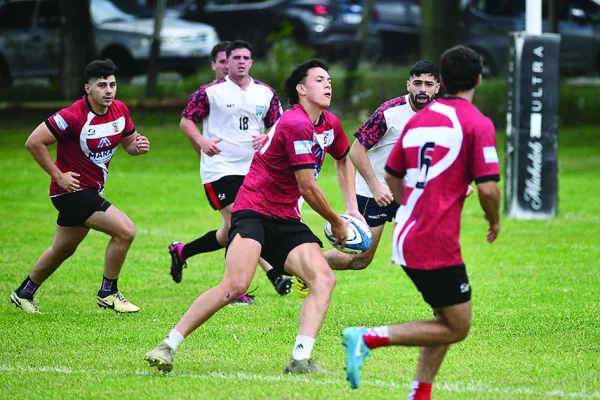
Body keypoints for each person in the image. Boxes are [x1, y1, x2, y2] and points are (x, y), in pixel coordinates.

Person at [145, 59, 363, 374]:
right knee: (235, 285)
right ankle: (167, 346)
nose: (328, 84)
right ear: (301, 89)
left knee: (323, 278)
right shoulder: (295, 123)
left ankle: (300, 360)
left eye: (329, 79)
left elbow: (343, 159)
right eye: (319, 79)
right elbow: (308, 186)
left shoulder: (330, 123)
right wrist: (337, 221)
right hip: (253, 210)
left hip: (286, 218)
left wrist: (351, 207)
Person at [341, 45, 501, 399]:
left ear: (441, 82)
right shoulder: (477, 122)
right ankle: (366, 337)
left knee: (442, 318)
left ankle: (420, 391)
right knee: (457, 326)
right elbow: (488, 189)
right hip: (433, 238)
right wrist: (494, 220)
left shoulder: (422, 120)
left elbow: (396, 175)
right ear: (477, 79)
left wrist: (418, 200)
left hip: (412, 229)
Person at [10, 59, 150, 314]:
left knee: (62, 249)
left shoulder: (120, 110)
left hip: (90, 191)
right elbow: (34, 142)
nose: (108, 90)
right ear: (88, 88)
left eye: (112, 84)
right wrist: (58, 174)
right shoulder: (72, 116)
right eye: (101, 85)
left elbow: (129, 144)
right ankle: (108, 293)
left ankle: (23, 293)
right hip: (70, 192)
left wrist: (137, 148)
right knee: (125, 231)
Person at [294, 60, 441, 298]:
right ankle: (307, 267)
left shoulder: (441, 115)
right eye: (417, 83)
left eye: (428, 84)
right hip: (374, 193)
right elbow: (356, 150)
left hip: (411, 193)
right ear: (408, 85)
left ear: (437, 87)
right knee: (361, 259)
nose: (422, 89)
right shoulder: (389, 113)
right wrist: (375, 186)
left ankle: (442, 306)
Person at [169, 40, 293, 303]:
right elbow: (186, 121)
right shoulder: (210, 92)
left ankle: (182, 252)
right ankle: (262, 279)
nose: (239, 61)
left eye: (245, 57)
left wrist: (267, 136)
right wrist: (202, 142)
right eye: (234, 57)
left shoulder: (265, 93)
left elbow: (279, 125)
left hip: (254, 169)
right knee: (244, 221)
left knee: (229, 231)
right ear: (226, 62)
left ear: (251, 62)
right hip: (220, 169)